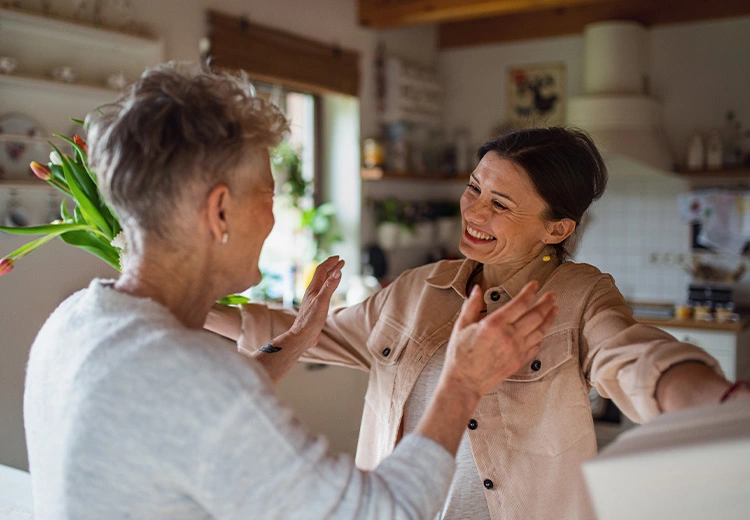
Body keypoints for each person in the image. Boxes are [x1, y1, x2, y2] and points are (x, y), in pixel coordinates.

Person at [22, 62, 559, 520]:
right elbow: (384, 512)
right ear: (219, 212)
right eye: (268, 193)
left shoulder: (77, 319)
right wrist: (462, 382)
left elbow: (185, 409)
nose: (275, 217)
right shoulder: (193, 379)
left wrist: (300, 337)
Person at [207, 126, 750, 520]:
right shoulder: (420, 288)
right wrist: (183, 303)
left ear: (557, 228)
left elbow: (633, 357)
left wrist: (720, 402)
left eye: (500, 203)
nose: (474, 212)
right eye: (473, 188)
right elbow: (311, 330)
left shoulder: (579, 295)